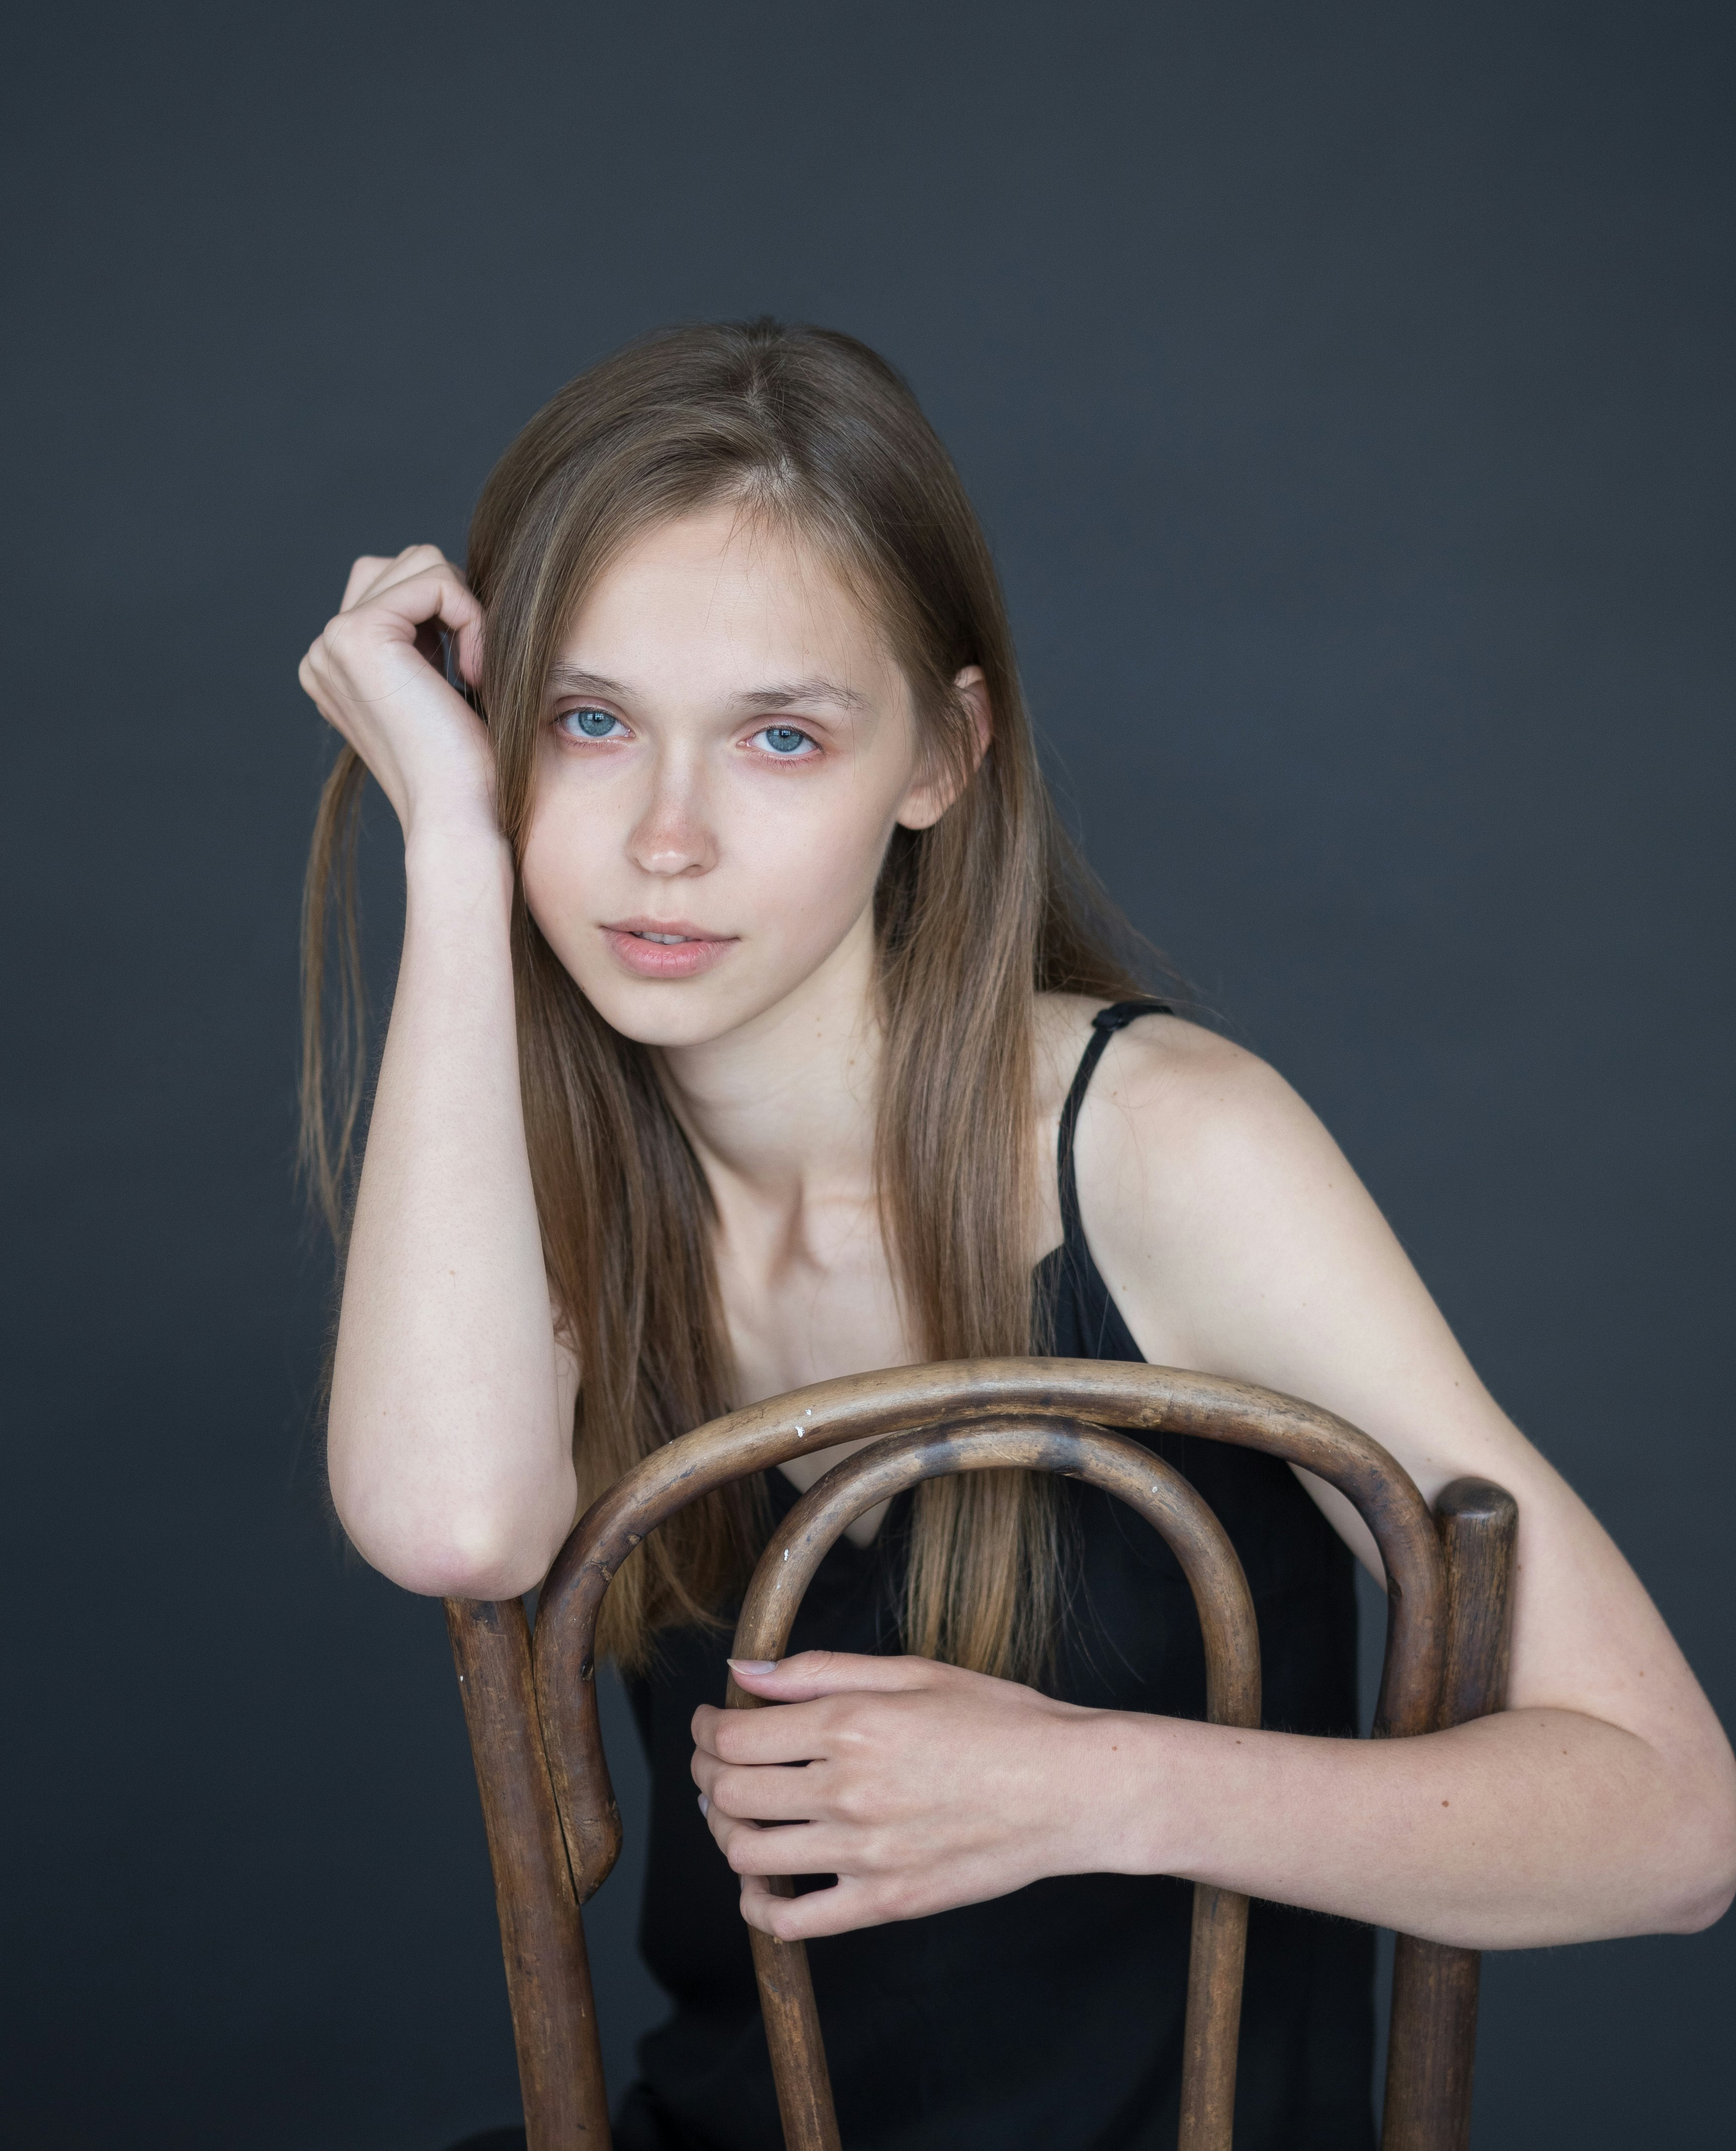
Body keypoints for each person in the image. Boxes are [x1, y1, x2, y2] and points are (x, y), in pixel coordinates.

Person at [297, 320, 1734, 2151]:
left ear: (941, 761)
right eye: (587, 724)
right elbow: (451, 1524)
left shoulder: (1162, 1148)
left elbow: (1674, 1824)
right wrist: (449, 851)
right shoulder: (552, 1176)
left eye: (781, 736)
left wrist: (1096, 1794)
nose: (666, 838)